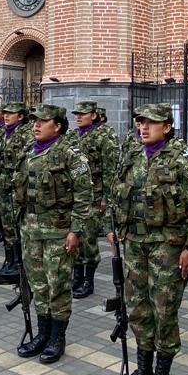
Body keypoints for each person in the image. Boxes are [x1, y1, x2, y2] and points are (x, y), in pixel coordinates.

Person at [108, 103, 188, 375]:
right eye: (140, 122)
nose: (144, 127)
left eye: (151, 122)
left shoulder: (182, 159)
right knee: (138, 307)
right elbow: (116, 194)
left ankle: (162, 373)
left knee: (164, 309)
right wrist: (111, 228)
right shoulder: (132, 155)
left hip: (168, 246)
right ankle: (143, 368)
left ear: (167, 126)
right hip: (135, 243)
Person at [12, 105, 92, 364]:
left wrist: (75, 230)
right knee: (38, 284)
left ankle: (57, 337)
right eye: (34, 121)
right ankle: (42, 333)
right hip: (31, 230)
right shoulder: (29, 151)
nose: (36, 125)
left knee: (57, 285)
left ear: (57, 126)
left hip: (58, 231)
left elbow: (84, 195)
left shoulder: (71, 155)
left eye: (42, 121)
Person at [70, 100, 116, 299]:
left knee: (88, 239)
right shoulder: (73, 136)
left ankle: (88, 280)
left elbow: (109, 170)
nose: (78, 117)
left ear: (94, 115)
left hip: (94, 197)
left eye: (83, 114)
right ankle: (77, 275)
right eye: (77, 114)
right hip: (76, 196)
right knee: (76, 235)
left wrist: (106, 198)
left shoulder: (104, 137)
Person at [0, 102, 33, 285]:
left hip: (17, 187)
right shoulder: (2, 133)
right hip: (3, 186)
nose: (6, 116)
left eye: (11, 113)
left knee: (17, 225)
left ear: (21, 116)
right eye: (5, 113)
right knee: (6, 224)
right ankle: (9, 258)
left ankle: (19, 262)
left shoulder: (26, 135)